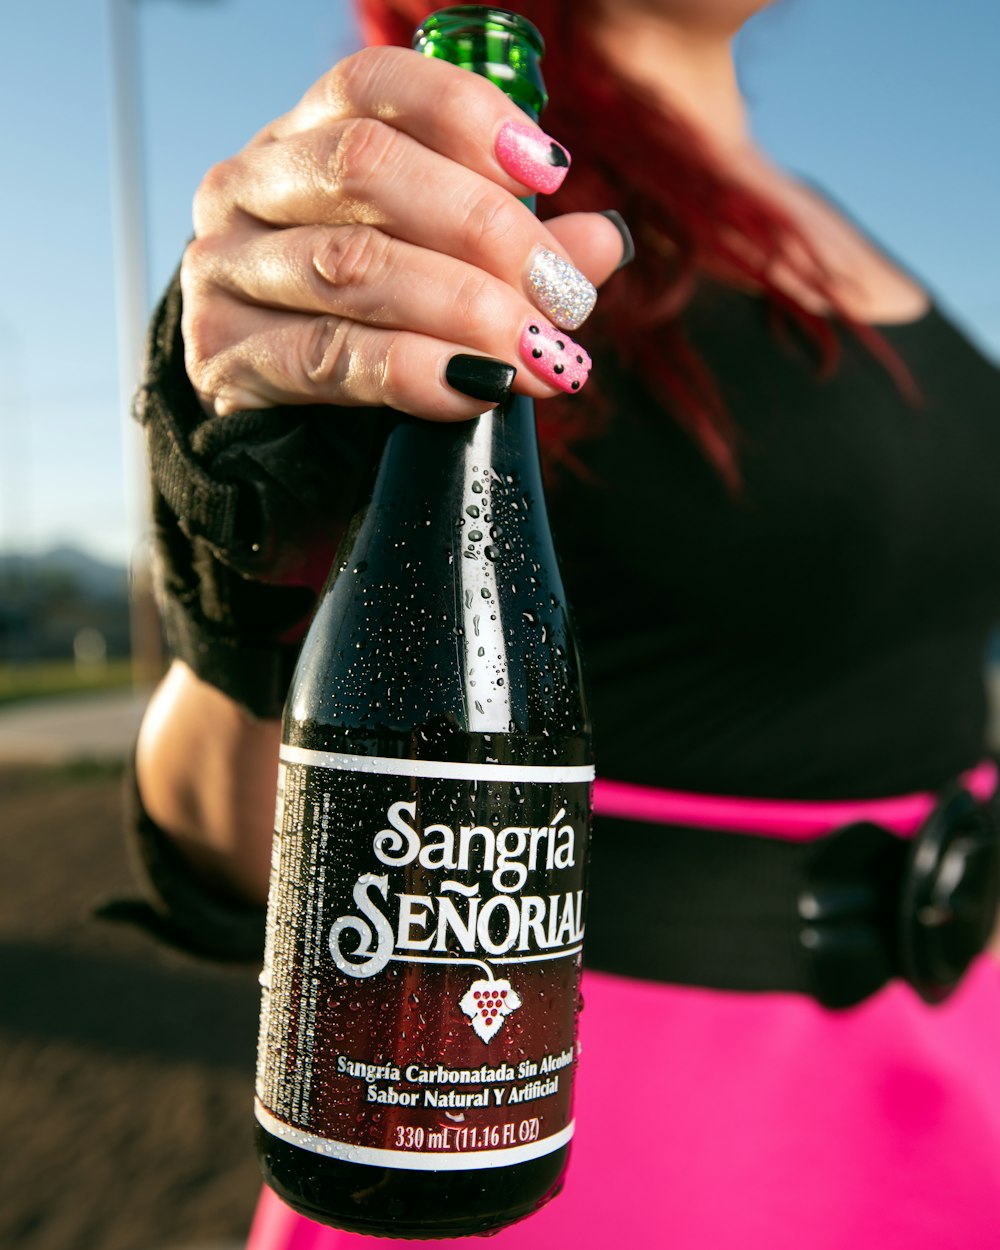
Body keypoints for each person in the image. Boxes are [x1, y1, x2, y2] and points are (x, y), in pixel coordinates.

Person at [122, 0, 1000, 1246]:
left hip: (945, 1063)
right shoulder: (444, 202)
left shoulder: (813, 203)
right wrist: (235, 525)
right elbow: (234, 833)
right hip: (597, 1117)